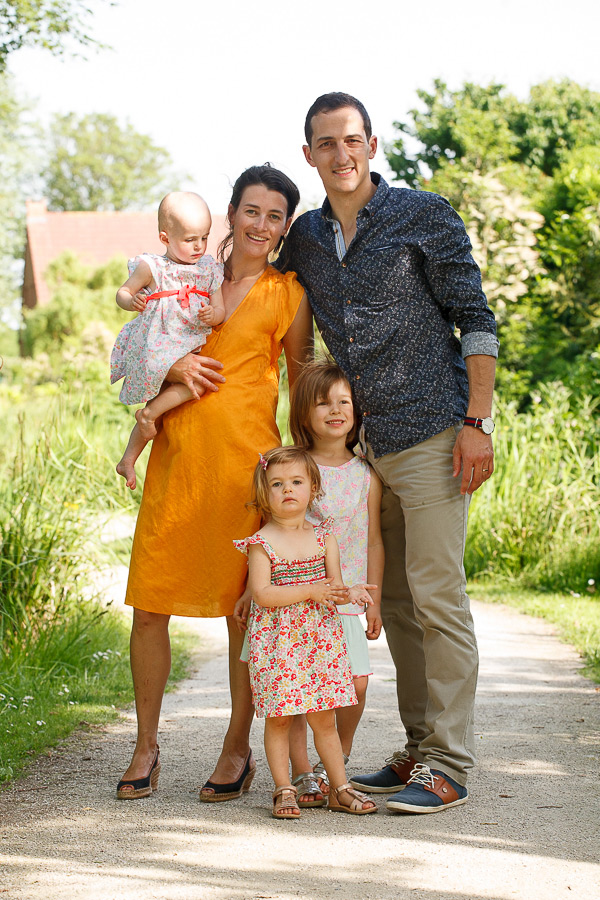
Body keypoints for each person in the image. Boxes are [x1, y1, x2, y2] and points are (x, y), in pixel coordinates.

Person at [281, 92, 499, 814]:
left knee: (438, 599)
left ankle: (451, 766)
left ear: (371, 145)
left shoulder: (423, 215)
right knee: (397, 604)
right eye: (324, 143)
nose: (340, 154)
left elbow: (474, 317)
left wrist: (479, 420)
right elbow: (267, 302)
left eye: (351, 140)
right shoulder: (307, 238)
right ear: (308, 154)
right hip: (368, 448)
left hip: (436, 432)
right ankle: (417, 749)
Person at [116, 165, 314, 801]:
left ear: (285, 225)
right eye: (251, 211)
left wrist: (313, 472)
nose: (262, 225)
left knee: (244, 616)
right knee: (150, 606)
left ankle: (237, 747)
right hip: (176, 463)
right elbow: (135, 339)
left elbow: (302, 380)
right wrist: (170, 361)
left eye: (275, 215)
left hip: (243, 476)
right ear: (232, 214)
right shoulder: (183, 275)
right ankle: (146, 746)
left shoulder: (288, 292)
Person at [234, 446, 377, 818]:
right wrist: (310, 591)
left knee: (324, 718)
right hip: (280, 644)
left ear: (313, 487)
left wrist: (353, 592)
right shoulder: (262, 544)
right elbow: (263, 595)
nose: (288, 490)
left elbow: (334, 586)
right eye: (277, 484)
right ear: (264, 493)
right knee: (279, 718)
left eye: (297, 482)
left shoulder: (323, 536)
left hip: (320, 641)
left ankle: (340, 788)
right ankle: (284, 788)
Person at [286, 359, 384, 805]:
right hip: (298, 599)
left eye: (344, 401)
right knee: (300, 688)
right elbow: (268, 531)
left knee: (356, 684)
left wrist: (374, 600)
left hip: (348, 597)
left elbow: (374, 539)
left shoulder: (366, 473)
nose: (335, 410)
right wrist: (254, 585)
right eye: (323, 402)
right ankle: (305, 773)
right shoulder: (291, 466)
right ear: (304, 413)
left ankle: (337, 761)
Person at [111, 192, 226, 490]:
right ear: (165, 237)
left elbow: (221, 310)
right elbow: (122, 293)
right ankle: (146, 418)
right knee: (187, 387)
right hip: (157, 343)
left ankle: (128, 459)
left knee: (179, 393)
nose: (199, 246)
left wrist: (211, 314)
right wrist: (131, 300)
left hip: (186, 345)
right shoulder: (152, 267)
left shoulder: (208, 270)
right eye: (190, 239)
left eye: (204, 237)